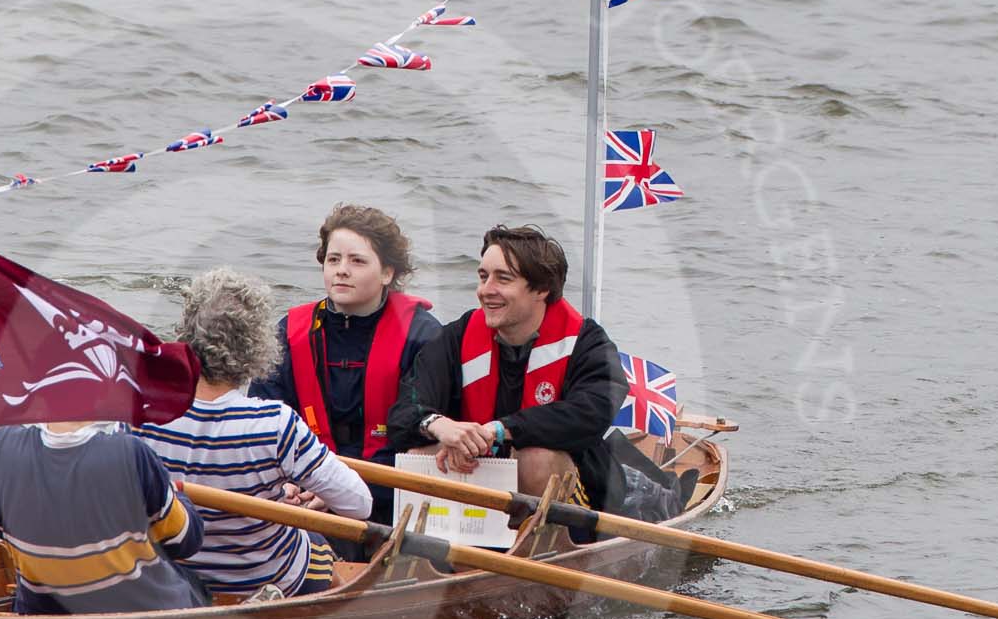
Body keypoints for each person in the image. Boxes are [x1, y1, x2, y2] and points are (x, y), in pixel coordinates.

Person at [139, 268, 372, 598]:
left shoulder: (144, 414)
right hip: (262, 578)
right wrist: (286, 481)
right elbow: (359, 505)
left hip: (175, 578)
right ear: (256, 346)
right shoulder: (275, 423)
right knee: (317, 544)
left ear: (186, 337)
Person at [388, 224, 634, 511]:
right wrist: (442, 427)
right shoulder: (456, 337)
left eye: (502, 279)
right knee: (421, 453)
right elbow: (405, 410)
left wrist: (501, 430)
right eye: (483, 277)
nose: (485, 291)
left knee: (535, 460)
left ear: (541, 288)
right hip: (479, 471)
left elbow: (593, 412)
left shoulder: (586, 342)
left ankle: (543, 548)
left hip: (574, 491)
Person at [251, 204, 442, 526]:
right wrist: (288, 484)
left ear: (387, 273)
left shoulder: (423, 336)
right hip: (304, 484)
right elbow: (262, 423)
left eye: (357, 261)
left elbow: (421, 439)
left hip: (386, 488)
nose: (341, 270)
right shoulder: (289, 332)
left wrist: (341, 489)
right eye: (333, 259)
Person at [0, 420, 210, 615]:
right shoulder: (130, 452)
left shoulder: (1, 444)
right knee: (193, 583)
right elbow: (183, 542)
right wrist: (177, 496)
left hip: (40, 610)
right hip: (138, 614)